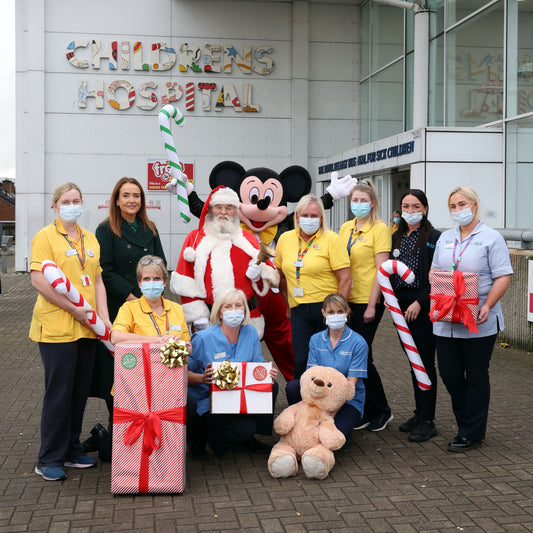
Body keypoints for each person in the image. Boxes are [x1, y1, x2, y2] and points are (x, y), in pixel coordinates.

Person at [29, 182, 111, 481]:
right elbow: (39, 281)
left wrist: (103, 316)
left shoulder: (89, 238)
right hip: (57, 328)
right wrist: (72, 308)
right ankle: (48, 457)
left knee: (79, 393)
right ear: (55, 206)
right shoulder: (45, 236)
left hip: (87, 327)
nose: (72, 205)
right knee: (59, 393)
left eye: (77, 200)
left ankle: (72, 450)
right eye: (66, 201)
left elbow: (98, 281)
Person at [83, 177, 167, 455]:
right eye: (126, 195)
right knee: (119, 374)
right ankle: (116, 433)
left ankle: (150, 429)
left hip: (151, 305)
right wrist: (132, 295)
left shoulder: (150, 228)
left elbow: (161, 264)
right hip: (121, 308)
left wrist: (153, 294)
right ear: (117, 200)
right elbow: (104, 270)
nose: (132, 200)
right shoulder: (106, 229)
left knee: (150, 370)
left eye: (137, 196)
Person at [431, 186, 512, 452]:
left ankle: (470, 431)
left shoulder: (491, 238)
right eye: (453, 206)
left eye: (462, 204)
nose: (458, 210)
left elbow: (503, 276)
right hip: (446, 320)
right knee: (451, 375)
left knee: (476, 376)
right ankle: (468, 423)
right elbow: (435, 273)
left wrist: (488, 304)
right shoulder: (445, 238)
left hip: (479, 318)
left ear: (475, 205)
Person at [171, 186, 279, 338]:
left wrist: (258, 276)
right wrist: (198, 317)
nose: (223, 212)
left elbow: (271, 278)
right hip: (208, 319)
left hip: (245, 319)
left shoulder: (248, 239)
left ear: (235, 211)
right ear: (210, 209)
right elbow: (185, 281)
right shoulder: (194, 238)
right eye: (218, 207)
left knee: (244, 360)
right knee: (209, 361)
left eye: (229, 208)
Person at [187, 289, 279, 458]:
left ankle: (248, 437)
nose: (234, 310)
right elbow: (184, 374)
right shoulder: (203, 338)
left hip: (237, 397)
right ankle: (198, 437)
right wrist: (202, 378)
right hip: (208, 402)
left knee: (272, 386)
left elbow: (257, 363)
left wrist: (266, 373)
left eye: (238, 306)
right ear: (220, 313)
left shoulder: (250, 333)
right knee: (243, 428)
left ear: (244, 310)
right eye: (228, 307)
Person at [274, 194, 351, 379]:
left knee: (327, 361)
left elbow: (346, 279)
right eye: (305, 215)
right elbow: (281, 277)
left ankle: (330, 403)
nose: (309, 220)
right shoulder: (285, 239)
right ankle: (303, 401)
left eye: (314, 216)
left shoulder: (331, 239)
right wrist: (288, 304)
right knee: (302, 360)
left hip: (326, 310)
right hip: (299, 309)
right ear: (297, 217)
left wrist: (338, 311)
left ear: (322, 218)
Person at [338, 180, 393, 432]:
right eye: (354, 200)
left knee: (362, 356)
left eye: (363, 201)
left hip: (367, 302)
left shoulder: (380, 229)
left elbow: (381, 271)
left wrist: (373, 305)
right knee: (354, 358)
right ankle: (366, 409)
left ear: (372, 203)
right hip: (346, 301)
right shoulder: (346, 228)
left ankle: (381, 410)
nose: (358, 205)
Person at [390, 190, 441, 442]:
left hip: (423, 306)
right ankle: (419, 413)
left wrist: (420, 303)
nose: (411, 211)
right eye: (406, 207)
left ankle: (428, 420)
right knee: (413, 362)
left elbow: (437, 277)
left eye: (416, 206)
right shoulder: (396, 237)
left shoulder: (434, 237)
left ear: (426, 208)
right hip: (401, 306)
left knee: (424, 363)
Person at [285, 294, 368, 440]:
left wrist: (330, 414)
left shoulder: (358, 343)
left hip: (347, 400)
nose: (335, 316)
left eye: (340, 311)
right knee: (293, 387)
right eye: (331, 312)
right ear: (323, 313)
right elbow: (311, 376)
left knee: (338, 435)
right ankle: (303, 420)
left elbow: (350, 384)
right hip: (318, 395)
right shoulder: (316, 339)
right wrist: (311, 409)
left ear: (347, 312)